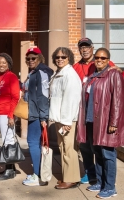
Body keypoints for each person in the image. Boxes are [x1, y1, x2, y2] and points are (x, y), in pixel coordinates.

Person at [73, 37, 122, 184]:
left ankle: (106, 182)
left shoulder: (104, 64)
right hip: (84, 113)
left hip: (101, 115)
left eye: (87, 46)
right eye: (82, 47)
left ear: (92, 48)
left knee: (102, 149)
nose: (85, 49)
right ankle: (90, 173)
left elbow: (117, 84)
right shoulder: (76, 67)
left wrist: (119, 70)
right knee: (85, 147)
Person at [49, 47, 82, 189]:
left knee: (69, 149)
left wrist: (67, 122)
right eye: (57, 57)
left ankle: (72, 179)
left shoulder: (70, 74)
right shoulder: (59, 73)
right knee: (63, 147)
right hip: (59, 119)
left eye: (63, 57)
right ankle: (66, 175)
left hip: (66, 120)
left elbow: (71, 99)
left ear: (69, 58)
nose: (60, 59)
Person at [22, 47, 53, 186]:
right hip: (34, 112)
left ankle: (38, 176)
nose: (30, 60)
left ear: (39, 58)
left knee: (33, 142)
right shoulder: (34, 72)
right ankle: (39, 173)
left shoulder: (42, 72)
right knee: (36, 143)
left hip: (37, 114)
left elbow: (44, 96)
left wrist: (43, 117)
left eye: (33, 58)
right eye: (28, 58)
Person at [0, 53, 20, 181]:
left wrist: (10, 116)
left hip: (6, 113)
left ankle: (9, 170)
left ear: (8, 63)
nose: (1, 65)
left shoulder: (11, 77)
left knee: (8, 140)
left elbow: (15, 97)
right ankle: (10, 167)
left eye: (4, 62)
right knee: (5, 139)